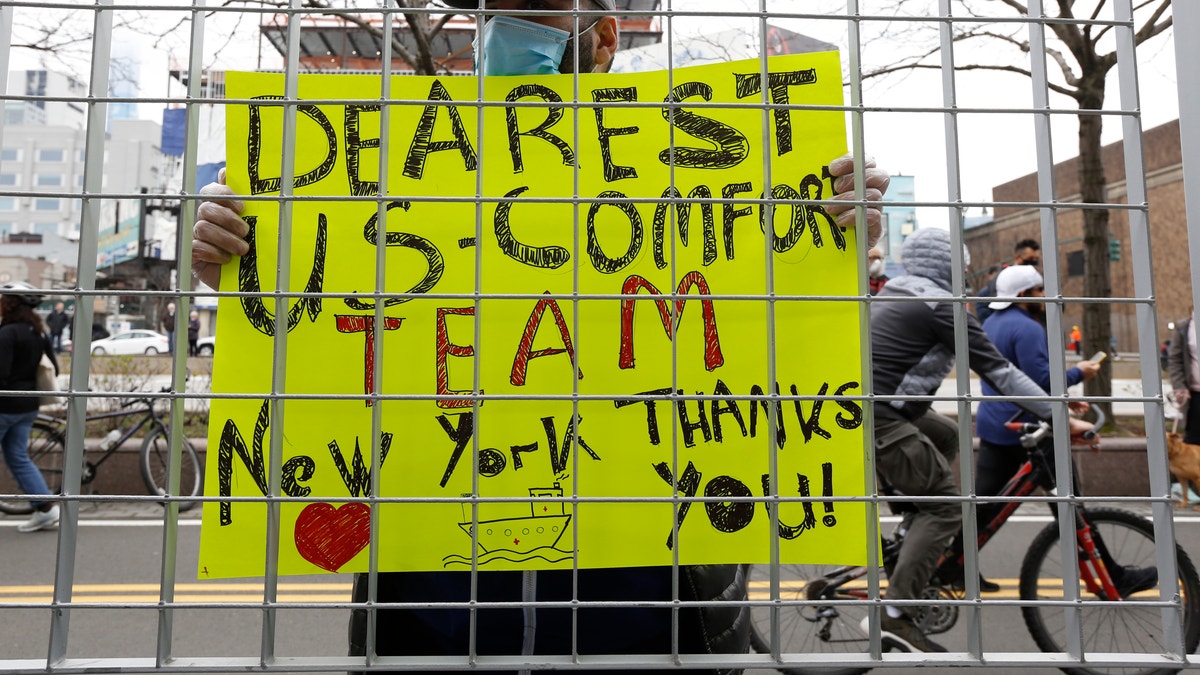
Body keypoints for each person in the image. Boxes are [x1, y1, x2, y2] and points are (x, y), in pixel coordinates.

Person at [191, 0, 892, 669]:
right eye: (488, 16)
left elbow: (764, 348)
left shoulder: (703, 169)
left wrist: (822, 243)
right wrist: (240, 258)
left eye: (533, 11)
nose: (501, 33)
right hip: (432, 635)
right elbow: (338, 335)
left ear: (606, 37)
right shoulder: (409, 166)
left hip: (656, 634)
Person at [868, 228, 1091, 652]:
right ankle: (895, 615)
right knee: (949, 508)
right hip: (881, 416)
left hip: (881, 405)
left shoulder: (896, 288)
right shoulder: (942, 306)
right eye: (962, 266)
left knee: (949, 433)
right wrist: (1058, 414)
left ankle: (914, 521)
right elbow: (999, 372)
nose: (967, 274)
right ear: (948, 267)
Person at [974, 265, 1100, 588]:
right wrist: (1078, 374)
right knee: (1071, 506)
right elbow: (1040, 381)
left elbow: (1017, 377)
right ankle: (1109, 574)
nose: (1044, 296)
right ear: (1023, 296)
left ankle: (950, 566)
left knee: (982, 507)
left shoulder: (991, 323)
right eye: (1039, 290)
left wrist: (1064, 398)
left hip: (994, 425)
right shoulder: (1028, 329)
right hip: (1031, 429)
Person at [0, 281, 60, 532]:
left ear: (11, 304)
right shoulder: (38, 332)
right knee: (18, 457)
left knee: (19, 457)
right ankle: (45, 509)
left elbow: (1, 374)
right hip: (27, 406)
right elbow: (53, 368)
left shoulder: (7, 333)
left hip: (4, 406)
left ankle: (45, 509)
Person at [975, 238, 1041, 324]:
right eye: (1030, 258)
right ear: (1017, 258)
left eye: (1036, 259)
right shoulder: (1001, 280)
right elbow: (983, 304)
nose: (1034, 262)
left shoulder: (1041, 281)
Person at [1168, 313, 1200, 444]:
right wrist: (1179, 386)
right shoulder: (1184, 326)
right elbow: (1175, 359)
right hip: (1196, 395)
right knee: (1194, 440)